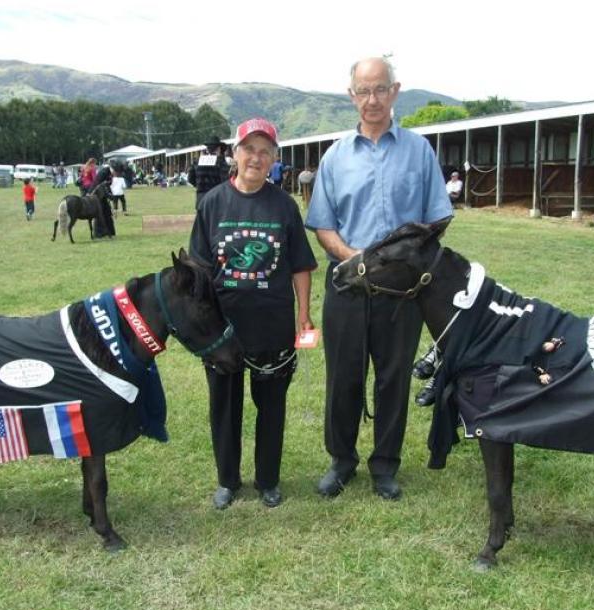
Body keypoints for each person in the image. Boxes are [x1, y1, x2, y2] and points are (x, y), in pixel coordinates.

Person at [305, 57, 453, 501]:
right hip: (348, 287)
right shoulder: (335, 156)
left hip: (403, 292)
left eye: (380, 89)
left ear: (395, 90)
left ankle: (385, 465)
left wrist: (405, 259)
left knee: (392, 380)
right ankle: (342, 460)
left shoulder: (419, 151)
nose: (372, 100)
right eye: (363, 91)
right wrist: (354, 259)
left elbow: (437, 218)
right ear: (351, 95)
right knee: (344, 378)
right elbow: (323, 224)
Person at [189, 118, 318, 510]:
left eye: (265, 152)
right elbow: (198, 272)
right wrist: (202, 324)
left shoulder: (284, 205)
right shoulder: (211, 204)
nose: (256, 158)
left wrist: (304, 315)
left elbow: (299, 265)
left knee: (272, 404)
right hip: (225, 329)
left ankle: (268, 480)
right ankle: (228, 480)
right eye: (249, 150)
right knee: (224, 407)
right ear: (234, 154)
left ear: (274, 159)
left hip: (272, 324)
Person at [190, 136, 230, 208]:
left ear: (207, 149)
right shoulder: (221, 162)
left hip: (201, 200)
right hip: (216, 200)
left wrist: (200, 186)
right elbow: (226, 181)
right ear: (218, 149)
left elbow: (190, 179)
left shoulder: (197, 162)